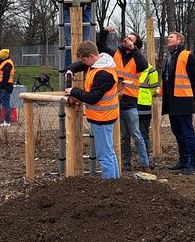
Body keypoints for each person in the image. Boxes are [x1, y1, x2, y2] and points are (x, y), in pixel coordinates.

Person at [64, 41, 120, 179]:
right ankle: (115, 182)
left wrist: (73, 91)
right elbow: (80, 65)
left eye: (84, 59)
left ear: (90, 56)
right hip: (104, 116)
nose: (83, 63)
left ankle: (110, 186)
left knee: (104, 156)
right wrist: (70, 69)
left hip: (102, 118)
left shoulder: (103, 74)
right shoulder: (98, 63)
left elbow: (92, 97)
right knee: (109, 153)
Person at [97, 26, 150, 172]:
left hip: (130, 102)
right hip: (115, 100)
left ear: (136, 45)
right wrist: (105, 32)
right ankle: (125, 163)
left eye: (131, 39)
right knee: (122, 136)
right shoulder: (116, 53)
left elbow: (143, 66)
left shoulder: (137, 57)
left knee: (136, 135)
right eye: (127, 37)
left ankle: (145, 164)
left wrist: (133, 49)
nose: (127, 40)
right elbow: (101, 46)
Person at [162, 31, 195, 175]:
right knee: (178, 132)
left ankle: (194, 164)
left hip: (183, 100)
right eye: (168, 37)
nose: (168, 39)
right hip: (172, 100)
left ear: (179, 40)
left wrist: (192, 98)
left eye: (171, 37)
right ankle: (184, 161)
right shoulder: (169, 57)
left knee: (188, 132)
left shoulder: (186, 55)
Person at [137, 63, 160, 165]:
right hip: (131, 104)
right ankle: (126, 162)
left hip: (143, 105)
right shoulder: (130, 67)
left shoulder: (151, 71)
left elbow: (154, 88)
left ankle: (145, 160)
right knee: (125, 135)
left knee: (143, 133)